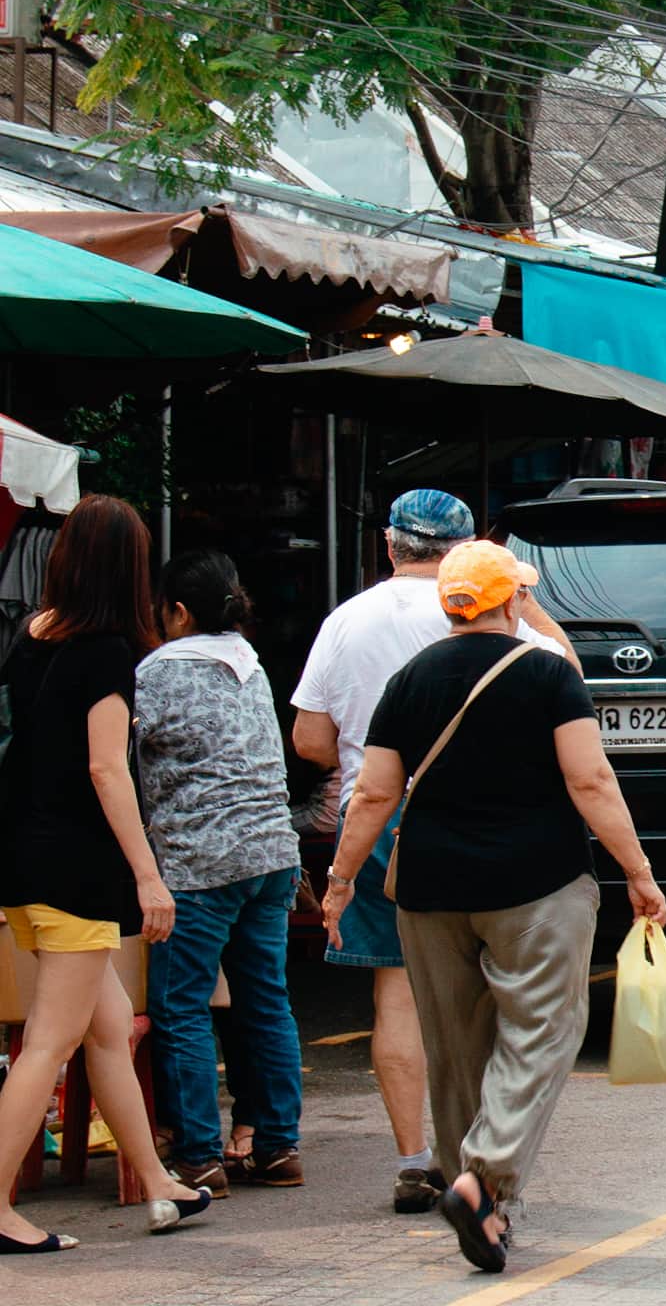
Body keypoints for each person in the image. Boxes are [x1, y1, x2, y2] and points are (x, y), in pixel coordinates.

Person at [321, 541, 664, 1276]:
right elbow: (591, 781)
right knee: (543, 1029)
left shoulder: (408, 681)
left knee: (454, 1049)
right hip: (538, 885)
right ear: (511, 601)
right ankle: (486, 1174)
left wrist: (341, 879)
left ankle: (479, 1200)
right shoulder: (548, 673)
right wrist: (638, 871)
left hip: (431, 891)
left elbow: (375, 793)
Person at [290, 489, 575, 1214]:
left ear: (389, 545)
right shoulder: (502, 617)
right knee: (499, 1001)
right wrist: (527, 604)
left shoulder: (345, 621)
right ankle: (481, 1160)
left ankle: (416, 1160)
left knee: (400, 995)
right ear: (470, 553)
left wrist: (340, 873)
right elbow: (570, 685)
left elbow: (311, 740)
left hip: (380, 823)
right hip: (493, 822)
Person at [0, 496, 211, 1254]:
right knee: (50, 1043)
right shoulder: (107, 651)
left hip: (22, 856)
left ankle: (156, 1181)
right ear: (130, 568)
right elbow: (105, 768)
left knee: (109, 1028)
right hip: (77, 868)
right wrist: (148, 877)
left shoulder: (33, 635)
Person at [137, 551, 305, 1195]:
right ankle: (277, 1145)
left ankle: (199, 1155)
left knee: (181, 1007)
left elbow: (118, 755)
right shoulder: (250, 664)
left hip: (199, 862)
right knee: (265, 1001)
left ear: (177, 612)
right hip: (271, 854)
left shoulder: (158, 672)